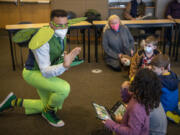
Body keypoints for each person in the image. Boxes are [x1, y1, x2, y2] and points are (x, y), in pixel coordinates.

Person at [0, 9, 82, 127]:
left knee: (51, 104)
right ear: (50, 24)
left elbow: (56, 54)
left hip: (44, 71)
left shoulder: (61, 35)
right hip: (33, 73)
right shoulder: (42, 40)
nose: (63, 28)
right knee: (63, 89)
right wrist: (65, 65)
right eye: (58, 25)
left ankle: (13, 101)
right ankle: (48, 112)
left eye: (65, 25)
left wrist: (65, 58)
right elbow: (45, 72)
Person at [102, 69, 162, 135]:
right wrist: (124, 89)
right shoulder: (144, 97)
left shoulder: (137, 109)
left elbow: (132, 133)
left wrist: (112, 125)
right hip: (127, 124)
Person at [150, 54, 180, 124]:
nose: (152, 70)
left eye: (154, 69)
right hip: (174, 103)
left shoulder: (159, 80)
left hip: (165, 107)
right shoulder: (173, 74)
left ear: (162, 69)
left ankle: (169, 115)